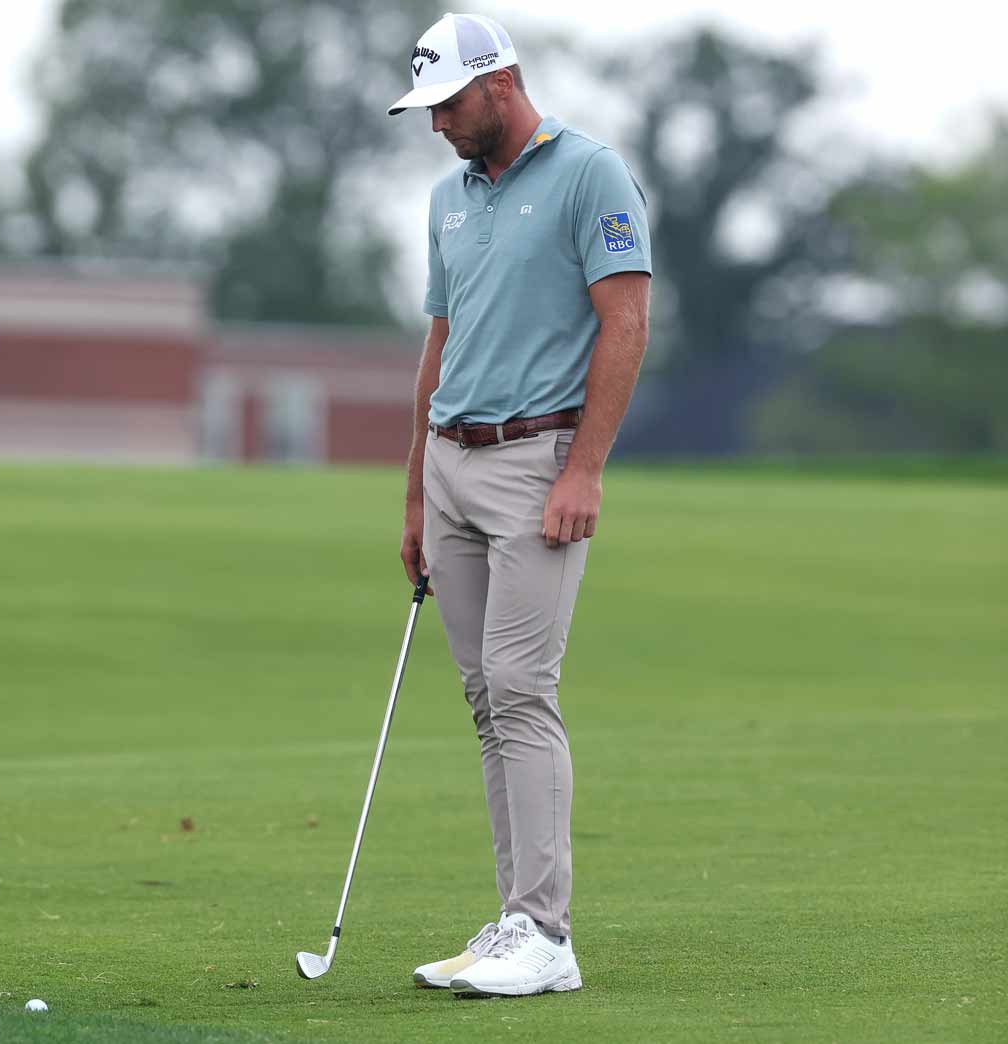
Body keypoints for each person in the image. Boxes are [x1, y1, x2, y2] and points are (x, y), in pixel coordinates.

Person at [388, 14, 652, 997]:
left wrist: (583, 469)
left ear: (499, 83)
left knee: (517, 686)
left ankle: (544, 932)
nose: (435, 126)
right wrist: (414, 490)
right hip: (452, 462)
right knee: (483, 697)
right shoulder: (446, 199)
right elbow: (438, 345)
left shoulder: (590, 174)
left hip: (537, 459)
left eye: (446, 104)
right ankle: (512, 922)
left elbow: (623, 320)